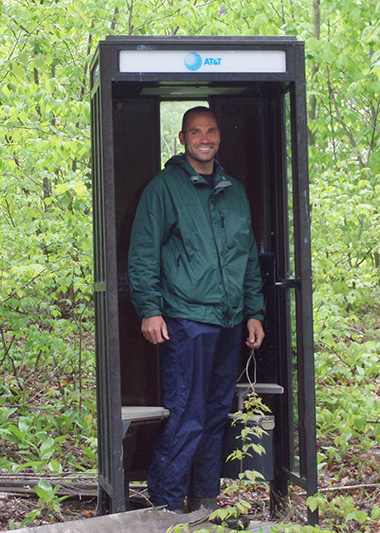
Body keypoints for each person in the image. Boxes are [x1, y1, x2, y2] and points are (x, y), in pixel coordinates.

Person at [128, 106, 265, 513]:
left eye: (211, 131)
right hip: (186, 320)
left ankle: (205, 504)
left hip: (229, 321)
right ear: (183, 138)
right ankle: (166, 508)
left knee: (215, 414)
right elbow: (143, 254)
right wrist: (150, 309)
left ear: (219, 135)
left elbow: (249, 259)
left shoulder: (233, 189)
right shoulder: (165, 187)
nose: (204, 139)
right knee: (187, 414)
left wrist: (253, 311)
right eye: (195, 132)